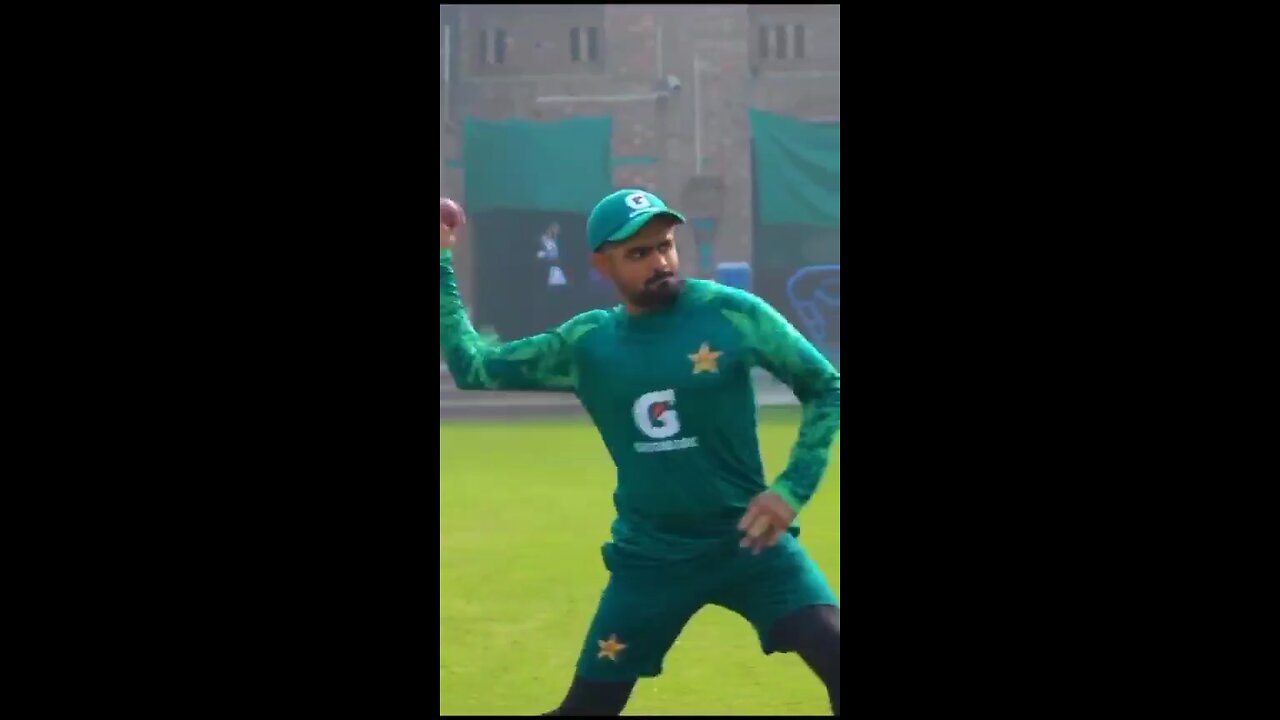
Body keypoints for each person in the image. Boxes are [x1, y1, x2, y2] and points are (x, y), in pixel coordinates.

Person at [439, 189, 841, 716]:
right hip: (653, 559)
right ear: (601, 264)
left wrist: (791, 488)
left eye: (665, 246)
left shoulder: (729, 312)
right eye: (639, 253)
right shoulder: (587, 345)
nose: (660, 262)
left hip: (751, 544)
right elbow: (473, 368)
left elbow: (825, 386)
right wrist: (443, 260)